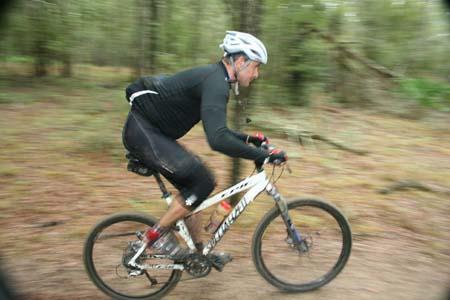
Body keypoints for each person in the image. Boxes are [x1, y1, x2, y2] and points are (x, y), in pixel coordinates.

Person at [122, 31, 287, 268]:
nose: (256, 74)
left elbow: (218, 129)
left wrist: (250, 139)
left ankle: (198, 254)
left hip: (151, 133)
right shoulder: (215, 83)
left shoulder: (216, 80)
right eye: (256, 67)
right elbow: (217, 140)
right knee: (202, 181)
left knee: (195, 190)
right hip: (144, 132)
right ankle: (153, 239)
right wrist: (264, 155)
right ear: (240, 62)